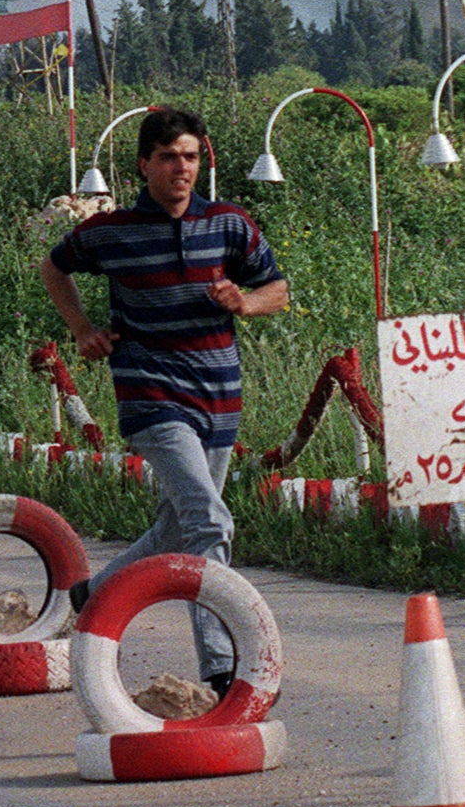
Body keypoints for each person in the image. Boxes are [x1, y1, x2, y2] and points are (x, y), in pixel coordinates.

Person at [42, 107, 288, 696]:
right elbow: (54, 267)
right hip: (150, 394)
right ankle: (223, 668)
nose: (183, 168)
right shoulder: (113, 231)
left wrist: (245, 303)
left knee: (180, 525)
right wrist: (81, 330)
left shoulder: (229, 224)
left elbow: (276, 288)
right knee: (209, 519)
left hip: (219, 397)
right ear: (144, 164)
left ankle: (93, 594)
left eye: (192, 157)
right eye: (170, 158)